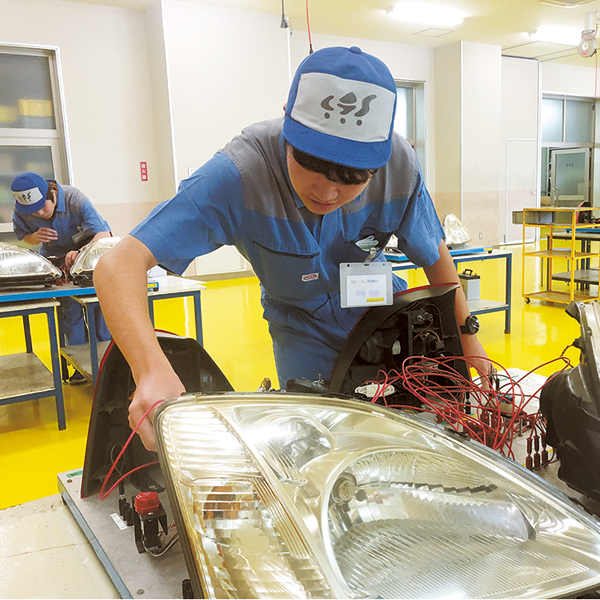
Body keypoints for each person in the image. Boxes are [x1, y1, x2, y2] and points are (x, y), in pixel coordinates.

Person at [94, 45, 490, 449]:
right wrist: (150, 369)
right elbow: (117, 265)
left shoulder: (399, 165)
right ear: (287, 122)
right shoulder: (241, 175)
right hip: (301, 327)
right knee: (318, 442)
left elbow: (436, 259)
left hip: (381, 317)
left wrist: (469, 343)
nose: (329, 190)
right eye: (312, 164)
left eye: (353, 177)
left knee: (412, 435)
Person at [12, 172, 112, 383]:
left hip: (87, 260)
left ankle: (107, 364)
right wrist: (34, 237)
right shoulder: (23, 208)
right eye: (33, 212)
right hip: (56, 265)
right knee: (69, 315)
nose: (38, 213)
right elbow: (23, 236)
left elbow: (103, 234)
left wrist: (82, 252)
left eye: (42, 207)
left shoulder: (76, 199)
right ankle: (78, 367)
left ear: (52, 193)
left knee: (99, 313)